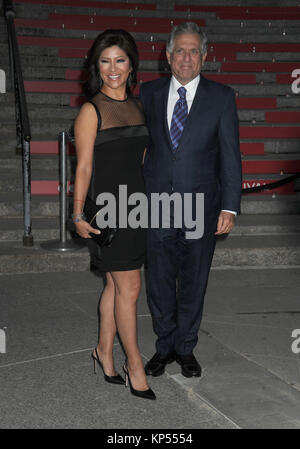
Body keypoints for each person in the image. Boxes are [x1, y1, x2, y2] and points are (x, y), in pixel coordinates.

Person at [139, 22, 242, 378]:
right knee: (159, 280)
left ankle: (185, 348)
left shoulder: (222, 97)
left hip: (202, 206)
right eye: (179, 50)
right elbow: (137, 147)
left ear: (204, 55)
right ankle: (164, 345)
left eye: (193, 50)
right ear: (167, 55)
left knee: (194, 279)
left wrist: (230, 205)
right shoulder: (147, 93)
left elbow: (230, 155)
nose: (186, 57)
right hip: (156, 206)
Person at [72, 29, 155, 400]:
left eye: (120, 60)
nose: (112, 68)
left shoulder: (139, 107)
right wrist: (77, 215)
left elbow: (139, 161)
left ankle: (103, 352)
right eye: (105, 61)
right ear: (96, 66)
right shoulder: (91, 110)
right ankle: (134, 364)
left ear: (132, 64)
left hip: (136, 208)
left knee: (114, 285)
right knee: (131, 287)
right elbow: (85, 167)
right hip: (107, 210)